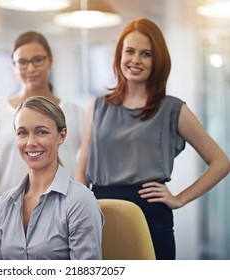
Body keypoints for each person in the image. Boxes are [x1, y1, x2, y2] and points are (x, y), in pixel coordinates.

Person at [75, 18, 230, 260]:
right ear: (119, 55)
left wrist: (180, 198)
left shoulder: (173, 109)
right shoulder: (98, 106)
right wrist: (77, 212)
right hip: (99, 214)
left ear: (157, 61)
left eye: (145, 54)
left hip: (150, 216)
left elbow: (221, 162)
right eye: (130, 51)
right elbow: (82, 170)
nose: (136, 60)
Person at [0, 31, 84, 204]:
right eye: (22, 62)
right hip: (6, 207)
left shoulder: (74, 112)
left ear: (50, 60)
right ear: (13, 65)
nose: (30, 68)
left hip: (63, 205)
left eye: (37, 60)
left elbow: (88, 168)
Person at [0, 96, 103, 260]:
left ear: (61, 135)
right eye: (22, 133)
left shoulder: (80, 202)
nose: (31, 142)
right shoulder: (2, 206)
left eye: (41, 132)